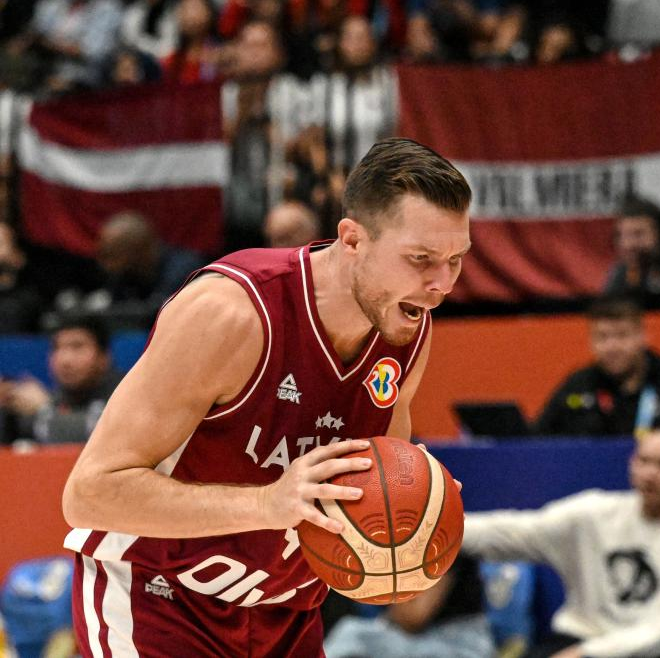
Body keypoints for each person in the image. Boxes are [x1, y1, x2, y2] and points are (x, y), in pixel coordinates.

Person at [61, 138, 473, 656]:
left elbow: (365, 501)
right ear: (352, 240)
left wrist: (414, 514)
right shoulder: (231, 312)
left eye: (456, 260)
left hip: (286, 613)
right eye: (421, 259)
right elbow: (89, 495)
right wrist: (266, 503)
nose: (442, 284)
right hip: (159, 598)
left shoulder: (407, 327)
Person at [462, 428, 660, 658]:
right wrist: (448, 525)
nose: (650, 474)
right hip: (570, 639)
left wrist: (588, 654)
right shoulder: (593, 514)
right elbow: (512, 533)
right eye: (643, 461)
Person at [534, 296, 660, 438]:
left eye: (622, 335)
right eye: (602, 337)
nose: (612, 347)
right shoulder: (578, 384)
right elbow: (536, 442)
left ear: (643, 336)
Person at [322, 555, 495, 658]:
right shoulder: (356, 635)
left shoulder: (439, 541)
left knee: (354, 635)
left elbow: (414, 616)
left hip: (457, 640)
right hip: (408, 634)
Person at [0, 314, 122, 445]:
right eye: (57, 348)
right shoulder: (57, 398)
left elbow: (96, 433)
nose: (65, 360)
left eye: (77, 347)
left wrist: (43, 409)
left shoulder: (124, 394)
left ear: (104, 356)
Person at [87, 212, 205, 329]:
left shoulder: (183, 269)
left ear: (137, 250)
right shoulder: (125, 272)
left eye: (111, 254)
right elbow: (114, 305)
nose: (104, 263)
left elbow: (161, 313)